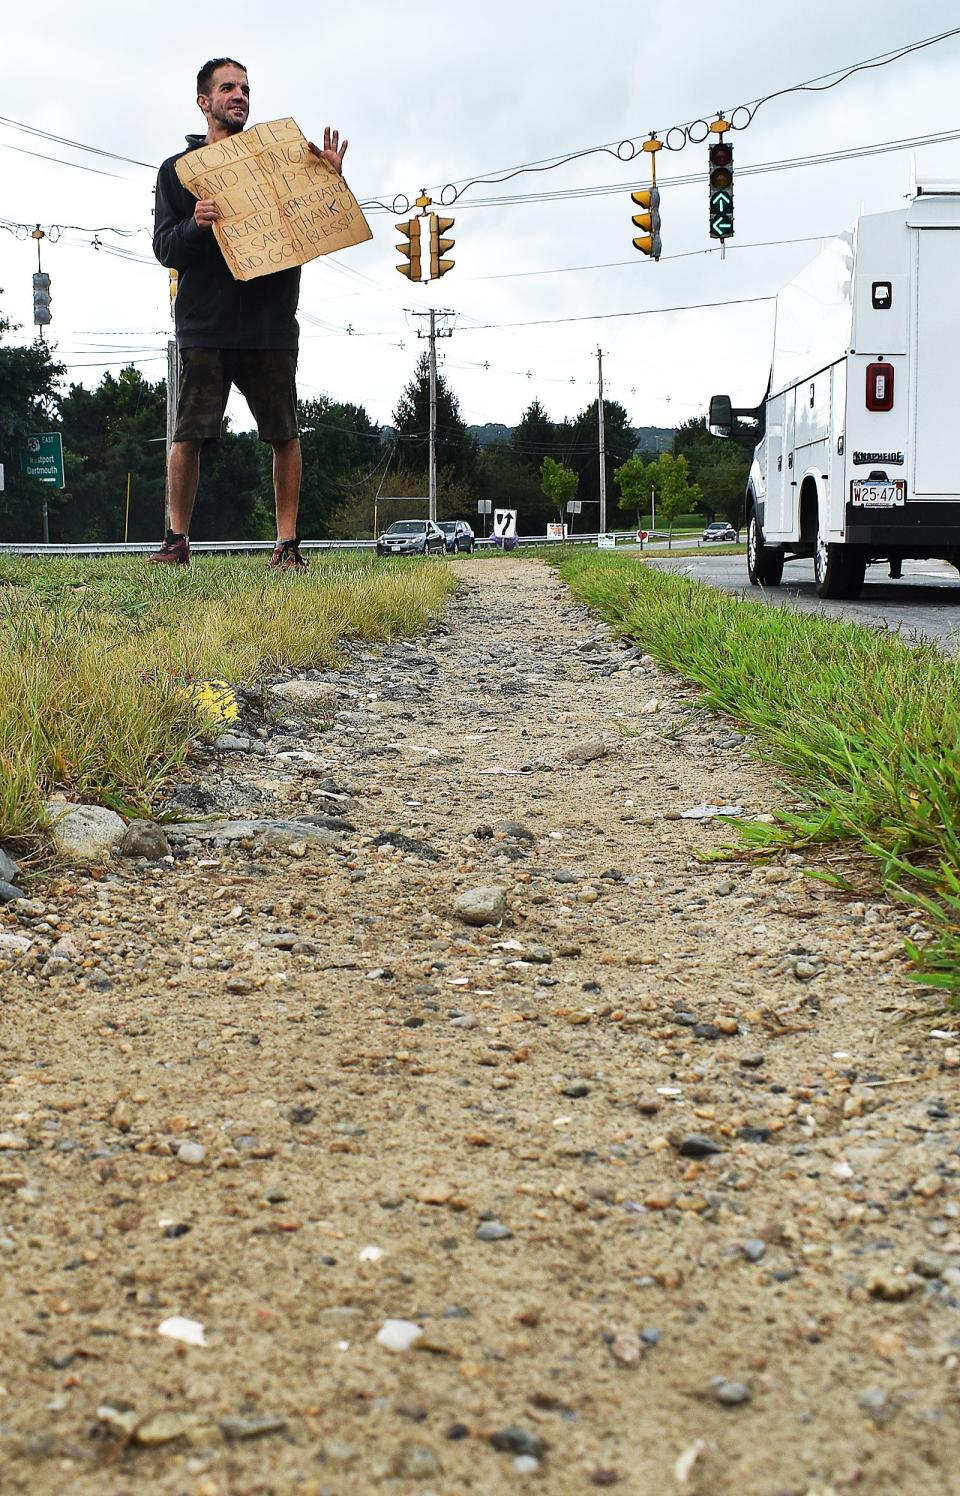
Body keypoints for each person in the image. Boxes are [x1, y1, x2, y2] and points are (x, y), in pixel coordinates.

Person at [151, 57, 348, 568]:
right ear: (204, 102)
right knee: (189, 434)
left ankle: (286, 545)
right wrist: (195, 224)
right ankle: (176, 542)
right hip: (206, 324)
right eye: (228, 88)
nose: (239, 96)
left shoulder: (281, 160)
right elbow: (165, 249)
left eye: (245, 88)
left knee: (284, 434)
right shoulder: (178, 173)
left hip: (270, 323)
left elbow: (322, 227)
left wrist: (328, 183)